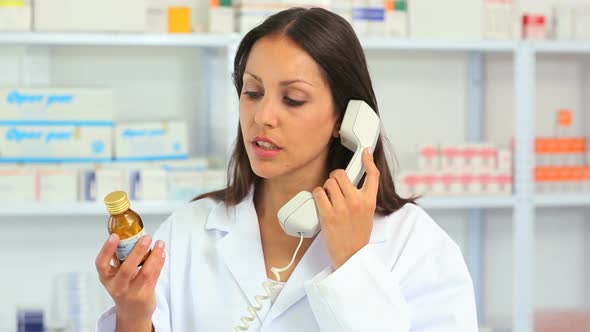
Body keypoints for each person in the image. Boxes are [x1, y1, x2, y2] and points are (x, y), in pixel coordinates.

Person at [95, 7, 478, 332]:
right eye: (253, 92)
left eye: (293, 99)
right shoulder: (189, 232)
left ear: (345, 120)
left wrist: (353, 262)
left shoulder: (413, 242)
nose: (263, 116)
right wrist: (133, 314)